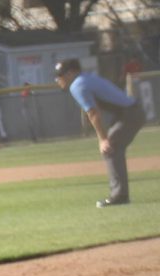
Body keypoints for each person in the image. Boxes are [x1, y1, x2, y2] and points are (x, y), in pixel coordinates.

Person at [54, 58, 145, 207]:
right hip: (130, 112)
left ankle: (120, 196)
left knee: (110, 149)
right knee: (112, 148)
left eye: (60, 75)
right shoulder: (86, 78)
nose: (58, 79)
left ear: (70, 73)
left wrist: (102, 139)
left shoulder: (77, 85)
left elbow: (93, 113)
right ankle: (120, 194)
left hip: (130, 114)